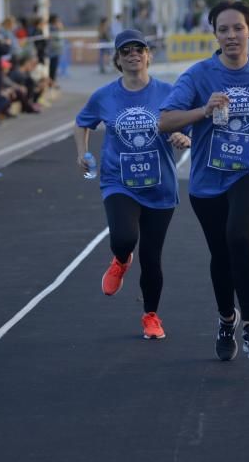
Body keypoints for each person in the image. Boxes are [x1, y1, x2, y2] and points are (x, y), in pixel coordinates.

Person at [159, 0, 249, 361]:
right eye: (223, 29)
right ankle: (225, 318)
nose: (231, 35)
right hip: (207, 179)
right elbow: (165, 121)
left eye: (238, 28)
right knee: (220, 253)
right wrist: (203, 111)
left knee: (239, 235)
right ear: (215, 34)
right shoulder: (199, 76)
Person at [74, 29, 191, 340]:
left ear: (148, 55)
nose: (133, 55)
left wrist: (183, 136)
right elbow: (82, 122)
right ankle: (121, 259)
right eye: (126, 51)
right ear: (117, 59)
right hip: (119, 182)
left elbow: (188, 124)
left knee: (152, 258)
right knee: (124, 237)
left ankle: (151, 316)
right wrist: (82, 152)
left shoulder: (169, 92)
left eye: (139, 49)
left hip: (160, 186)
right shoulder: (104, 96)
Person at [47, 14, 63, 88]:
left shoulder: (56, 29)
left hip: (56, 52)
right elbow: (52, 41)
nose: (59, 22)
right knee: (52, 68)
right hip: (53, 52)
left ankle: (53, 82)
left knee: (54, 68)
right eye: (58, 21)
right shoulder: (52, 29)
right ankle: (51, 83)